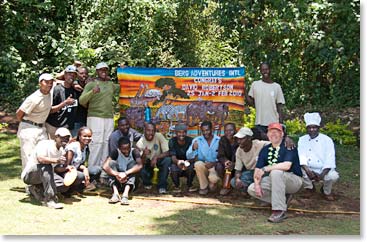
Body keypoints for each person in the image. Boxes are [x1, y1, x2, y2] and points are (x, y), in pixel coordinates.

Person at [247, 122, 303, 223]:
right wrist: (257, 184)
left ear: (282, 134)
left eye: (277, 132)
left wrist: (266, 169)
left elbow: (287, 165)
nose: (273, 134)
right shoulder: (265, 149)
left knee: (276, 172)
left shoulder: (288, 146)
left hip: (293, 180)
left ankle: (279, 211)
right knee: (251, 189)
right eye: (271, 132)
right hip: (274, 179)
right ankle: (283, 200)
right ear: (267, 135)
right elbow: (258, 169)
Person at [79, 62, 120, 167]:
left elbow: (122, 86)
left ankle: (103, 171)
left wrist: (124, 71)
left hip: (109, 118)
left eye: (105, 70)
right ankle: (93, 170)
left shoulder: (111, 84)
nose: (104, 72)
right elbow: (82, 100)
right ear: (97, 71)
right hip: (95, 117)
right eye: (101, 70)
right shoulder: (91, 84)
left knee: (106, 143)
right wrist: (92, 92)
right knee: (96, 143)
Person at [21, 127, 72, 209]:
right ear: (56, 137)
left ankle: (36, 189)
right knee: (46, 166)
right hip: (30, 175)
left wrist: (67, 168)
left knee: (64, 185)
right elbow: (40, 159)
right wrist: (56, 160)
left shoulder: (62, 151)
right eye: (62, 137)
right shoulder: (45, 144)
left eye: (67, 138)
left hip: (45, 174)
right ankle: (50, 200)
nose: (65, 139)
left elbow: (55, 169)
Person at [298, 112, 339, 201]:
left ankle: (326, 191)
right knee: (298, 170)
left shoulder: (327, 140)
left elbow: (330, 159)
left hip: (323, 169)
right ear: (306, 128)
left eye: (314, 127)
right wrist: (308, 171)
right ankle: (310, 188)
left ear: (319, 128)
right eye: (309, 127)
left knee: (333, 176)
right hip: (308, 168)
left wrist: (321, 175)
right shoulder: (302, 139)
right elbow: (301, 157)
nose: (312, 130)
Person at [16, 73, 54, 170]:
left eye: (51, 82)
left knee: (44, 154)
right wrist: (26, 124)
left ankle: (40, 181)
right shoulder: (34, 98)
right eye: (46, 82)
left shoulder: (50, 92)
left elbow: (62, 78)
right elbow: (19, 114)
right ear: (40, 83)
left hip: (42, 128)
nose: (49, 84)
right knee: (28, 156)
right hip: (29, 128)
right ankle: (29, 183)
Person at [53, 127, 102, 195]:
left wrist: (85, 169)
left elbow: (78, 164)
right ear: (79, 136)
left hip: (75, 168)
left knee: (97, 169)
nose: (87, 138)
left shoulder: (86, 147)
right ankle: (69, 190)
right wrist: (81, 172)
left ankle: (81, 188)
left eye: (89, 136)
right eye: (85, 136)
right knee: (80, 175)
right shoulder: (73, 147)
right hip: (64, 170)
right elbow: (67, 165)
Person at [245, 62, 285, 140]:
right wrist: (245, 91)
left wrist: (281, 124)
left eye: (266, 69)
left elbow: (279, 107)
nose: (265, 72)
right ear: (260, 71)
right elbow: (251, 103)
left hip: (274, 123)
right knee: (261, 147)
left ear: (270, 70)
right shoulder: (255, 84)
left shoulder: (276, 87)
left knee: (274, 147)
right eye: (263, 70)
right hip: (259, 123)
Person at [102, 136, 143, 205]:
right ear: (119, 148)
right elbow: (105, 166)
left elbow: (140, 165)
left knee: (133, 164)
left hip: (130, 181)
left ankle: (125, 195)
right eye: (124, 149)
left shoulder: (134, 151)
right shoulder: (115, 152)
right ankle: (115, 193)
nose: (126, 151)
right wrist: (117, 174)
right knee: (111, 163)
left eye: (128, 149)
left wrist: (125, 173)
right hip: (118, 180)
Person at [186, 121, 221, 195]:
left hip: (214, 167)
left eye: (207, 130)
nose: (205, 133)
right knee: (198, 164)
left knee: (212, 188)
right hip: (204, 166)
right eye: (203, 131)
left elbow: (223, 156)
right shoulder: (197, 140)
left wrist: (213, 163)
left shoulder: (219, 140)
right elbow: (188, 156)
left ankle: (212, 182)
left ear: (212, 129)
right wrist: (193, 148)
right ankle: (203, 187)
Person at [136, 122, 171, 194]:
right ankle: (147, 182)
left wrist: (156, 157)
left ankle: (162, 186)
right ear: (144, 130)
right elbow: (139, 162)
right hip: (147, 163)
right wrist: (144, 155)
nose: (151, 133)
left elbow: (168, 152)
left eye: (153, 131)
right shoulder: (140, 142)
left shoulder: (159, 136)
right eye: (148, 130)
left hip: (158, 161)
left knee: (167, 160)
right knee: (140, 167)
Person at [45, 65, 78, 139]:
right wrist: (64, 103)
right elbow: (49, 110)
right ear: (65, 75)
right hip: (53, 126)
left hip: (67, 128)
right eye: (69, 74)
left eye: (74, 75)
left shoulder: (76, 90)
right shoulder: (57, 89)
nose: (71, 77)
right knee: (52, 148)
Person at [168, 123, 197, 193]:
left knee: (192, 167)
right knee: (173, 167)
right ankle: (176, 186)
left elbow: (195, 156)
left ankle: (190, 185)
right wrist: (178, 162)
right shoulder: (172, 141)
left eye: (184, 132)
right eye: (179, 132)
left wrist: (188, 162)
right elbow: (173, 157)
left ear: (186, 132)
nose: (182, 134)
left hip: (188, 162)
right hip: (177, 163)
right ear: (176, 133)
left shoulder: (191, 141)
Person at [217, 123, 238, 195]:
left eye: (230, 130)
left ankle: (239, 188)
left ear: (235, 130)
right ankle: (226, 185)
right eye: (226, 131)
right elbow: (220, 155)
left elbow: (243, 156)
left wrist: (234, 164)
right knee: (219, 166)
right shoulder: (223, 140)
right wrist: (226, 161)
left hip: (238, 164)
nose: (228, 133)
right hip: (227, 165)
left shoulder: (239, 140)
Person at [70, 67, 92, 136]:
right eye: (81, 73)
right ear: (77, 74)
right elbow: (58, 79)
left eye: (86, 73)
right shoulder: (73, 85)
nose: (84, 75)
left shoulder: (90, 86)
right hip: (76, 120)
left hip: (88, 119)